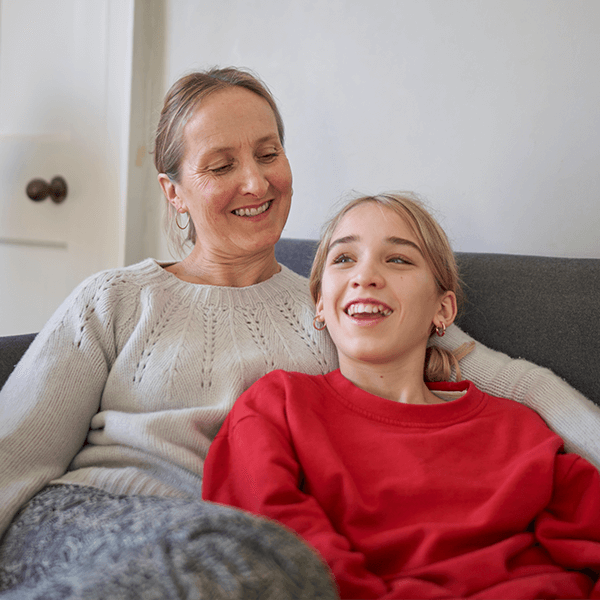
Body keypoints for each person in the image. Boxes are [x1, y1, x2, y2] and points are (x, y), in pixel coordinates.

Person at [0, 67, 599, 597]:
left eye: (268, 153)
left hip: (241, 545)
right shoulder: (116, 299)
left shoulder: (338, 307)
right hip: (89, 516)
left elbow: (517, 382)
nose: (257, 183)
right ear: (174, 192)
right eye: (220, 165)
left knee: (282, 570)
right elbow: (14, 456)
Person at [203, 192, 600, 599]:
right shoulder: (279, 405)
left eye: (398, 260)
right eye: (344, 259)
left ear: (442, 311)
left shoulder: (518, 426)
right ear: (320, 303)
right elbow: (271, 539)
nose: (366, 276)